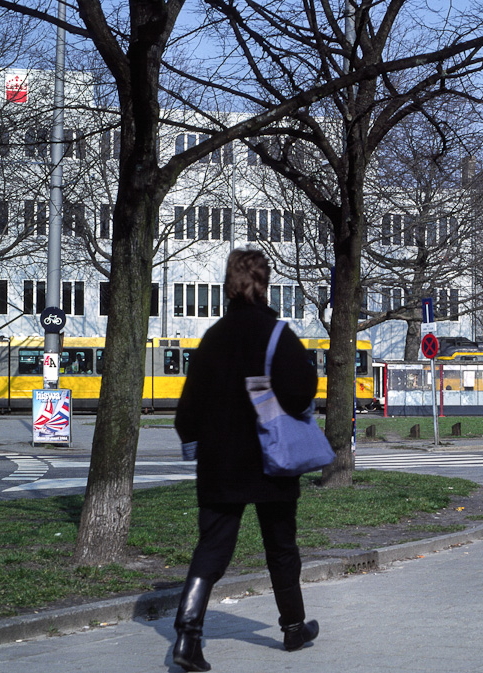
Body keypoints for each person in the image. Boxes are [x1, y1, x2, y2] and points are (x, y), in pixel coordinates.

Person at [173, 249, 320, 672]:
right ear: (264, 282)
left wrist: (196, 444)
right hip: (272, 457)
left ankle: (187, 636)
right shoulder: (277, 334)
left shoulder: (212, 337)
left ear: (228, 284)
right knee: (281, 546)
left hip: (221, 462)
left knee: (212, 548)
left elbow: (187, 412)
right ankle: (293, 627)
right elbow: (300, 391)